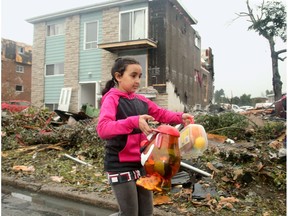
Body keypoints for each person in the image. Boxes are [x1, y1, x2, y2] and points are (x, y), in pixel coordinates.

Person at [96, 57, 193, 216]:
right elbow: (103, 129)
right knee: (129, 214)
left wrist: (180, 117)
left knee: (147, 212)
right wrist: (134, 121)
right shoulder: (112, 99)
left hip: (143, 164)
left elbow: (161, 113)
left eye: (139, 76)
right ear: (118, 76)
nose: (137, 80)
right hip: (120, 165)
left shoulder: (141, 100)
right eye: (133, 75)